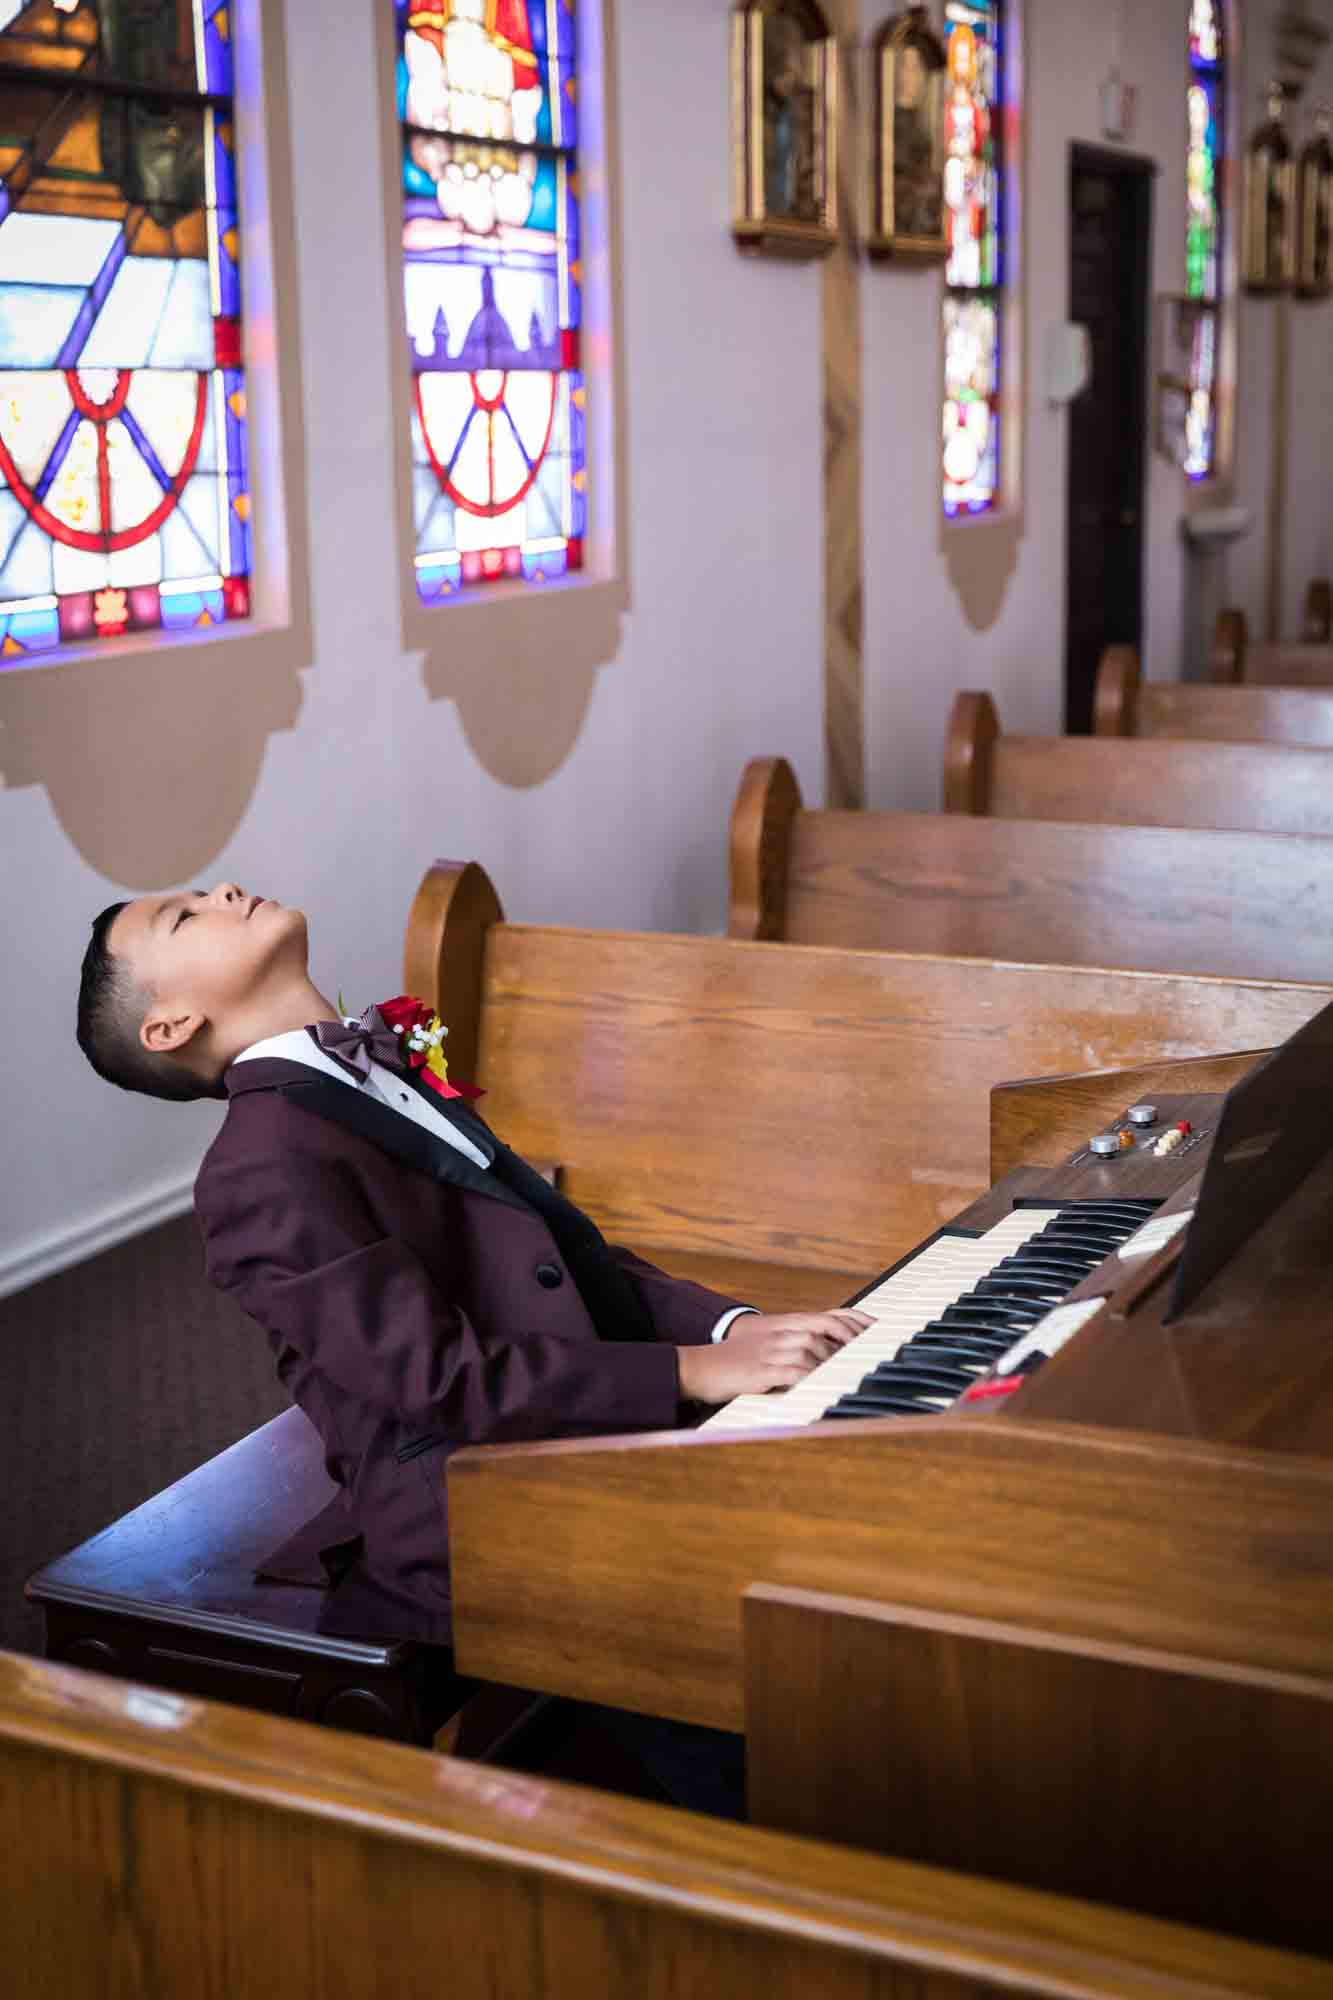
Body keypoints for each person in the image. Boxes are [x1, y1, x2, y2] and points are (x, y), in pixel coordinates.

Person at [75, 881, 869, 1655]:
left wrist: (736, 1326)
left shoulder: (379, 1072)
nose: (225, 888)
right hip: (479, 1504)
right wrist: (691, 1371)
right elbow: (437, 1376)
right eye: (184, 916)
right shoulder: (262, 1167)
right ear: (171, 1025)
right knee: (811, 1605)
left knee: (871, 1488)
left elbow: (564, 1255)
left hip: (575, 1406)